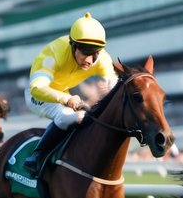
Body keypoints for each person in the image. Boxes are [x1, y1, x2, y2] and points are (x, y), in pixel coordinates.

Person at [21, 12, 118, 173]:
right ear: (73, 45)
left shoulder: (102, 59)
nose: (89, 59)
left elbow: (114, 87)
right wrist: (66, 98)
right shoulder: (52, 54)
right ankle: (37, 157)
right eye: (85, 51)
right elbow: (37, 88)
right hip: (37, 95)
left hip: (65, 95)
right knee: (69, 116)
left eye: (94, 52)